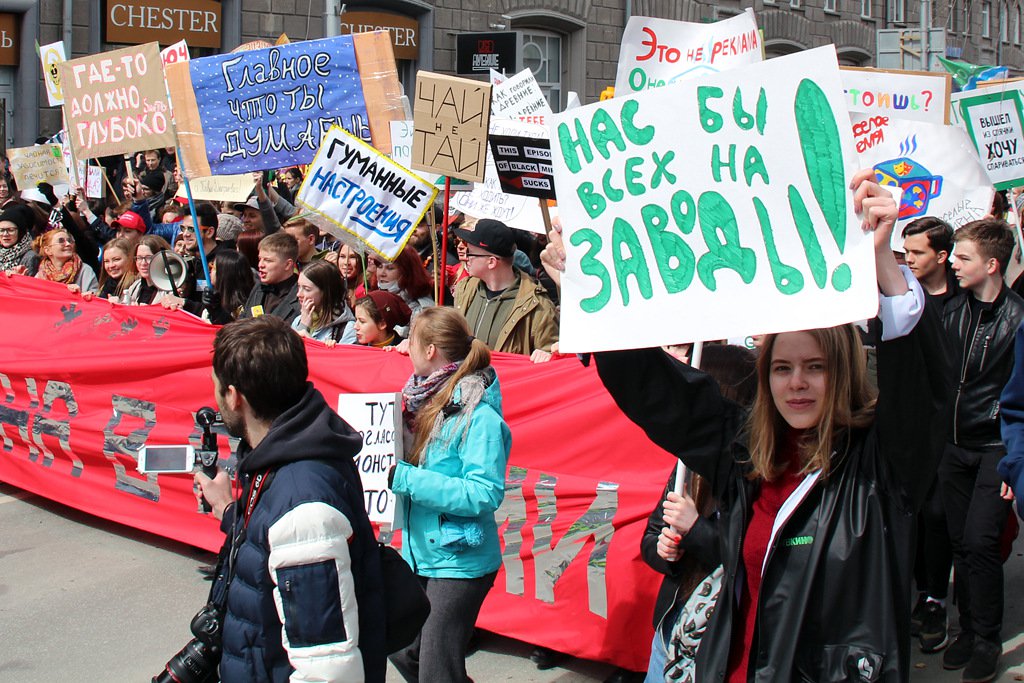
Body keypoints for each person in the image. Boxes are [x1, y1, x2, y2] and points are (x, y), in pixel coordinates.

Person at [546, 170, 949, 682]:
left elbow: (923, 393)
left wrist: (883, 263)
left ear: (843, 371)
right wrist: (590, 293)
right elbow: (654, 390)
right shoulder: (745, 449)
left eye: (815, 367)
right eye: (783, 368)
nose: (797, 383)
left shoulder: (879, 464)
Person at [193, 316, 387, 682]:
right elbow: (273, 540)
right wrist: (228, 511)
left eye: (217, 389)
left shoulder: (304, 503)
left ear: (235, 397)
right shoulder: (282, 458)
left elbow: (328, 668)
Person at [388, 307, 511, 683]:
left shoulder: (480, 415)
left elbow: (483, 492)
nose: (403, 346)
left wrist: (407, 480)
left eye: (411, 339)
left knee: (436, 669)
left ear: (430, 351)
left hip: (460, 561)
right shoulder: (419, 399)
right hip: (422, 552)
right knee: (401, 648)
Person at [939, 218, 1024, 680]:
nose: (953, 262)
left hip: (996, 448)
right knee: (959, 544)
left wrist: (1016, 461)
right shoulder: (952, 311)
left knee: (981, 542)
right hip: (954, 448)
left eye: (963, 257)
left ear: (991, 265)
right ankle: (968, 630)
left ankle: (987, 639)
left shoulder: (1020, 319)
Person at [642, 344, 757, 683]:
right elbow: (651, 535)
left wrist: (696, 529)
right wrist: (664, 551)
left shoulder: (753, 472)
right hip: (670, 630)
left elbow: (748, 557)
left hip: (718, 643)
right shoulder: (686, 466)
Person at [900, 216, 958, 653]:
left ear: (941, 256)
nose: (908, 260)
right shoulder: (901, 297)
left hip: (953, 433)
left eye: (917, 253)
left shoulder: (967, 302)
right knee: (913, 515)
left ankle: (937, 597)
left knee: (938, 516)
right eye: (905, 252)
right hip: (906, 429)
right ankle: (918, 592)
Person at [453, 218, 558, 361]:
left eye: (471, 253)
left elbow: (555, 363)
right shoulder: (464, 289)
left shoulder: (538, 306)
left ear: (491, 262)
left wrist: (548, 355)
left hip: (506, 382)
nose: (466, 258)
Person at [239, 231, 300, 323]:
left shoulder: (300, 296)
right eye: (260, 259)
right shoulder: (259, 287)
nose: (260, 265)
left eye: (268, 260)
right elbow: (242, 322)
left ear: (287, 264)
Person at [370, 246, 435, 331]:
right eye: (379, 266)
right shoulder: (372, 299)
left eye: (390, 268)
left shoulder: (423, 310)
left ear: (406, 272)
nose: (382, 273)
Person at [293, 260, 356, 345]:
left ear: (326, 292)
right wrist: (303, 326)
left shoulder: (348, 328)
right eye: (299, 287)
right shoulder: (299, 320)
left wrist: (314, 343)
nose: (298, 294)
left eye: (306, 289)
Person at [34, 228, 99, 294]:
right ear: (48, 250)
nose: (68, 244)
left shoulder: (85, 270)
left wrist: (79, 295)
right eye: (61, 241)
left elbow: (95, 298)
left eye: (69, 240)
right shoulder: (40, 276)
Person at [123, 234, 178, 305]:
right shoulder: (135, 286)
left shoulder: (172, 288)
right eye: (139, 258)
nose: (143, 263)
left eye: (149, 258)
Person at [205, 249, 255, 325]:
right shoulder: (217, 299)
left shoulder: (245, 310)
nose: (210, 271)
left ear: (224, 274)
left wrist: (218, 313)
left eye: (213, 267)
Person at [0, 203, 36, 274]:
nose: (5, 234)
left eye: (10, 230)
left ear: (20, 232)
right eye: (1, 230)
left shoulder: (31, 257)